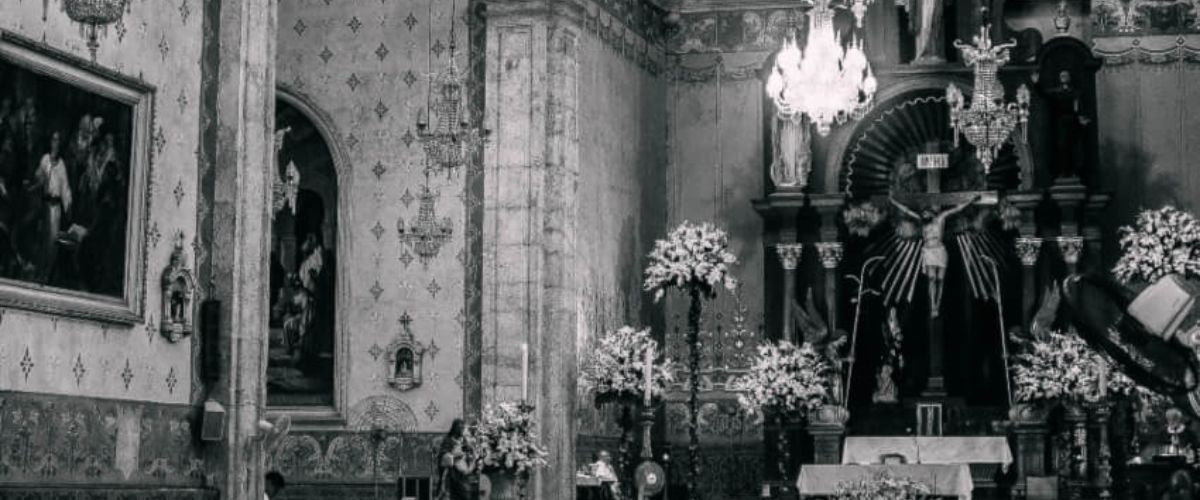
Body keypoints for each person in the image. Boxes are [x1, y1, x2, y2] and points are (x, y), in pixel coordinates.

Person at [890, 195, 979, 317]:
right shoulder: (922, 222)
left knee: (940, 280)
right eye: (923, 214)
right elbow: (907, 211)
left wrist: (971, 200)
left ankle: (938, 304)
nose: (924, 215)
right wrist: (894, 201)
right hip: (929, 251)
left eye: (926, 213)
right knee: (932, 280)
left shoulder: (940, 219)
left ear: (931, 213)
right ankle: (933, 306)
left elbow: (957, 209)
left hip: (940, 250)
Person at [437, 419, 476, 500]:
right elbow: (442, 455)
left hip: (464, 473)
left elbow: (471, 454)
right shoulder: (448, 440)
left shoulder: (465, 440)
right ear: (454, 428)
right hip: (452, 472)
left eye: (463, 428)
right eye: (460, 427)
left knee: (466, 496)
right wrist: (454, 456)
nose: (462, 430)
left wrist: (470, 458)